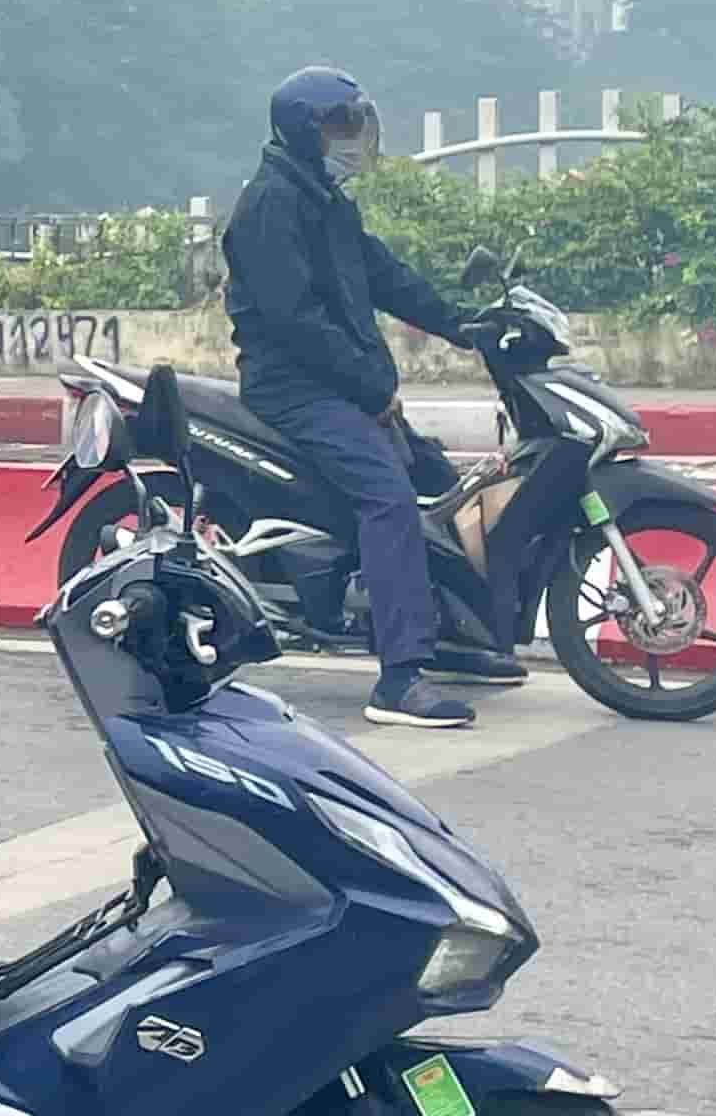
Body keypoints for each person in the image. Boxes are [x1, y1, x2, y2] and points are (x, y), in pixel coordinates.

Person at [222, 65, 523, 732]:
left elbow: (381, 273)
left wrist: (459, 323)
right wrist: (372, 387)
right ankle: (399, 677)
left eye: (356, 125)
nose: (354, 138)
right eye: (341, 126)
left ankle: (450, 636)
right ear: (305, 132)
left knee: (442, 485)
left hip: (341, 384)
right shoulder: (271, 206)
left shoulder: (325, 200)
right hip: (294, 387)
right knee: (387, 500)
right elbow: (296, 323)